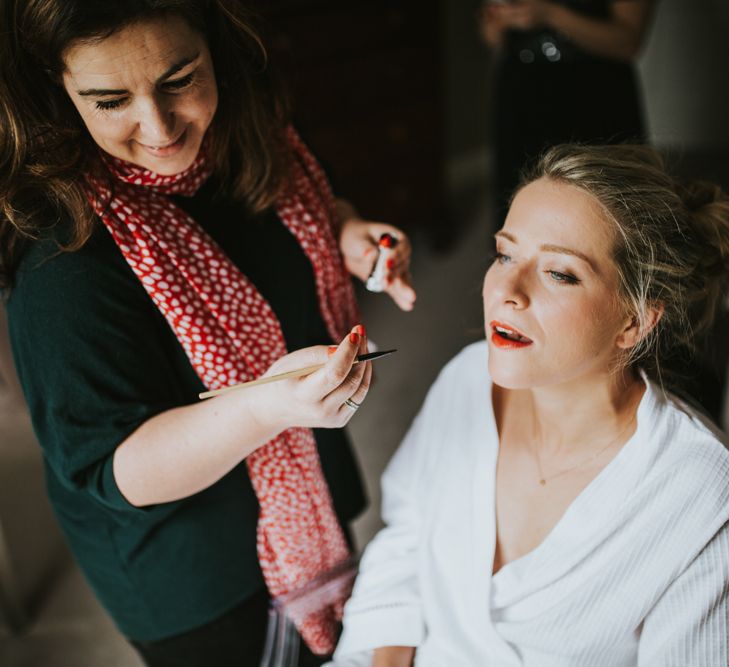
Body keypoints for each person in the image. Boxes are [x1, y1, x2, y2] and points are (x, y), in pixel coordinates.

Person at [0, 1, 416, 665]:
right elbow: (116, 469)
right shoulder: (62, 263)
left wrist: (347, 235)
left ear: (215, 45)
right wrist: (268, 404)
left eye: (178, 79)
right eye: (110, 100)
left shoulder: (254, 133)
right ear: (58, 89)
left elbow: (292, 215)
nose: (159, 127)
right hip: (193, 570)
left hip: (306, 484)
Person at [332, 144, 729, 666]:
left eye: (560, 273)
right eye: (505, 254)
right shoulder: (467, 379)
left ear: (634, 321)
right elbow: (406, 538)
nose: (507, 291)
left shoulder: (700, 494)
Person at [477, 0, 655, 219]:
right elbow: (491, 35)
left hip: (594, 88)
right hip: (521, 86)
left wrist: (550, 14)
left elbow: (629, 42)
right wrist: (503, 19)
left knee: (606, 199)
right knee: (517, 192)